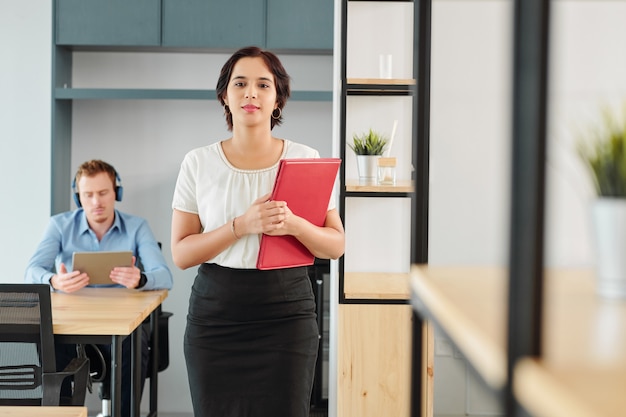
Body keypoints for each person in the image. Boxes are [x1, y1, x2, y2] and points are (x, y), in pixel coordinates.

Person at [171, 46, 345, 417]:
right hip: (215, 316)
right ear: (225, 96)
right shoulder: (198, 162)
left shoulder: (305, 158)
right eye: (241, 83)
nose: (251, 92)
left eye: (263, 84)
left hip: (287, 315)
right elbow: (182, 253)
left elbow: (336, 245)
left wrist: (294, 224)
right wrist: (240, 226)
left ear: (277, 99)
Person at [24, 159, 173, 417]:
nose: (96, 202)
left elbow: (165, 276)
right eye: (88, 195)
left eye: (103, 193)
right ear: (78, 197)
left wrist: (141, 279)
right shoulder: (59, 225)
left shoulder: (137, 227)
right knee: (48, 342)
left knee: (134, 343)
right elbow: (31, 270)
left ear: (117, 192)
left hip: (121, 329)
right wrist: (53, 281)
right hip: (73, 326)